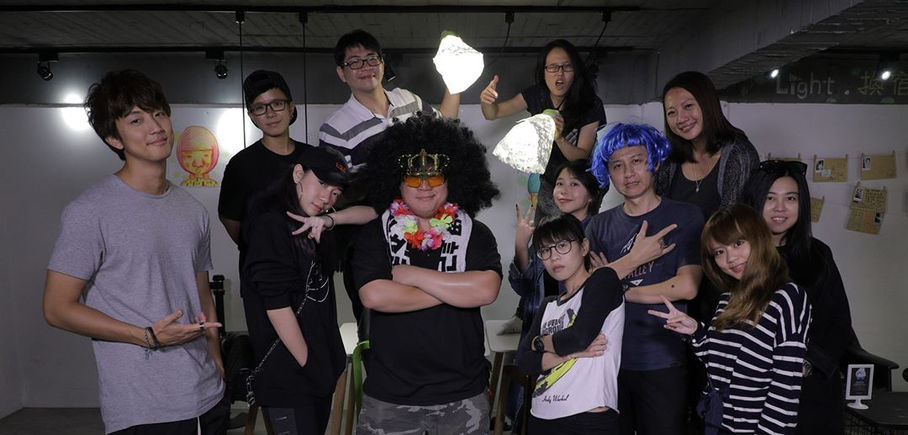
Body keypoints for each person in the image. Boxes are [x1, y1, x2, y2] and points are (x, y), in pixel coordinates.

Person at [43, 70, 227, 434]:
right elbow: (57, 308)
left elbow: (201, 293)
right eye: (136, 120)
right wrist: (146, 336)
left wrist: (216, 358)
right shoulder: (89, 211)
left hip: (208, 398)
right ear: (114, 138)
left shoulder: (192, 210)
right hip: (142, 408)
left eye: (158, 113)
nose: (155, 127)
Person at [351, 116, 500, 434]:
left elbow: (486, 290)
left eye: (434, 177)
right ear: (397, 181)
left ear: (450, 180)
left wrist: (411, 275)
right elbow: (374, 296)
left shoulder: (475, 233)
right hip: (389, 396)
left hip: (463, 394)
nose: (423, 186)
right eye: (413, 177)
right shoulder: (374, 234)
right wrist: (456, 290)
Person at [318, 29, 456, 329]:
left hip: (426, 229)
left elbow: (445, 132)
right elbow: (337, 192)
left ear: (382, 63)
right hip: (373, 237)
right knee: (379, 324)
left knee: (433, 314)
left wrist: (456, 82)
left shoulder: (409, 100)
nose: (365, 67)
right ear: (342, 73)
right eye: (355, 62)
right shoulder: (335, 128)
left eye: (372, 58)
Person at [649, 204, 812, 434]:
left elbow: (786, 387)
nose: (730, 258)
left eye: (737, 243)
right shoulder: (728, 297)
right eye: (719, 252)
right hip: (718, 422)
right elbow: (719, 363)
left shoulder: (787, 296)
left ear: (758, 239)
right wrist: (696, 331)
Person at [587, 123, 704, 435]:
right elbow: (589, 293)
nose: (629, 173)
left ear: (655, 161)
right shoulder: (599, 226)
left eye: (637, 161)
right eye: (617, 166)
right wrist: (631, 263)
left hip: (663, 359)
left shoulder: (686, 216)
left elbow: (687, 287)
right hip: (609, 360)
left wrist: (619, 288)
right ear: (608, 173)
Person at [514, 213, 676, 434]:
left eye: (562, 245)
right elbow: (524, 361)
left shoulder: (603, 280)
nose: (554, 257)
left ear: (584, 247)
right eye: (545, 250)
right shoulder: (548, 305)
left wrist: (539, 343)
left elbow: (580, 337)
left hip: (588, 417)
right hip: (540, 416)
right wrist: (568, 354)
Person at [240, 146, 351, 435]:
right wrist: (310, 364)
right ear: (298, 174)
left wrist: (330, 219)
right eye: (322, 184)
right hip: (290, 376)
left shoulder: (313, 224)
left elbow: (372, 212)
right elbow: (276, 306)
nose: (326, 198)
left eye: (335, 192)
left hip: (315, 374)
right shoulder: (271, 224)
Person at [741, 160, 853, 434]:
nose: (780, 208)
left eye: (790, 198)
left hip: (808, 383)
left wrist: (803, 366)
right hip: (750, 383)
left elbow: (837, 322)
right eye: (770, 198)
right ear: (754, 202)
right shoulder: (735, 256)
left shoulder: (818, 254)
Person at [480, 39, 606, 221]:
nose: (559, 74)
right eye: (553, 67)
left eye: (566, 67)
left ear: (576, 71)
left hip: (580, 185)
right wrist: (487, 101)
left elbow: (581, 156)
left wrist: (559, 138)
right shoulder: (537, 94)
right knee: (546, 233)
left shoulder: (590, 103)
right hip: (549, 182)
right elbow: (493, 113)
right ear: (544, 71)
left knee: (577, 233)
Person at [657, 70, 759, 220]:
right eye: (671, 112)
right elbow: (658, 214)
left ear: (708, 104)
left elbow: (731, 225)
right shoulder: (669, 159)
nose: (680, 119)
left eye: (688, 106)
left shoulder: (739, 153)